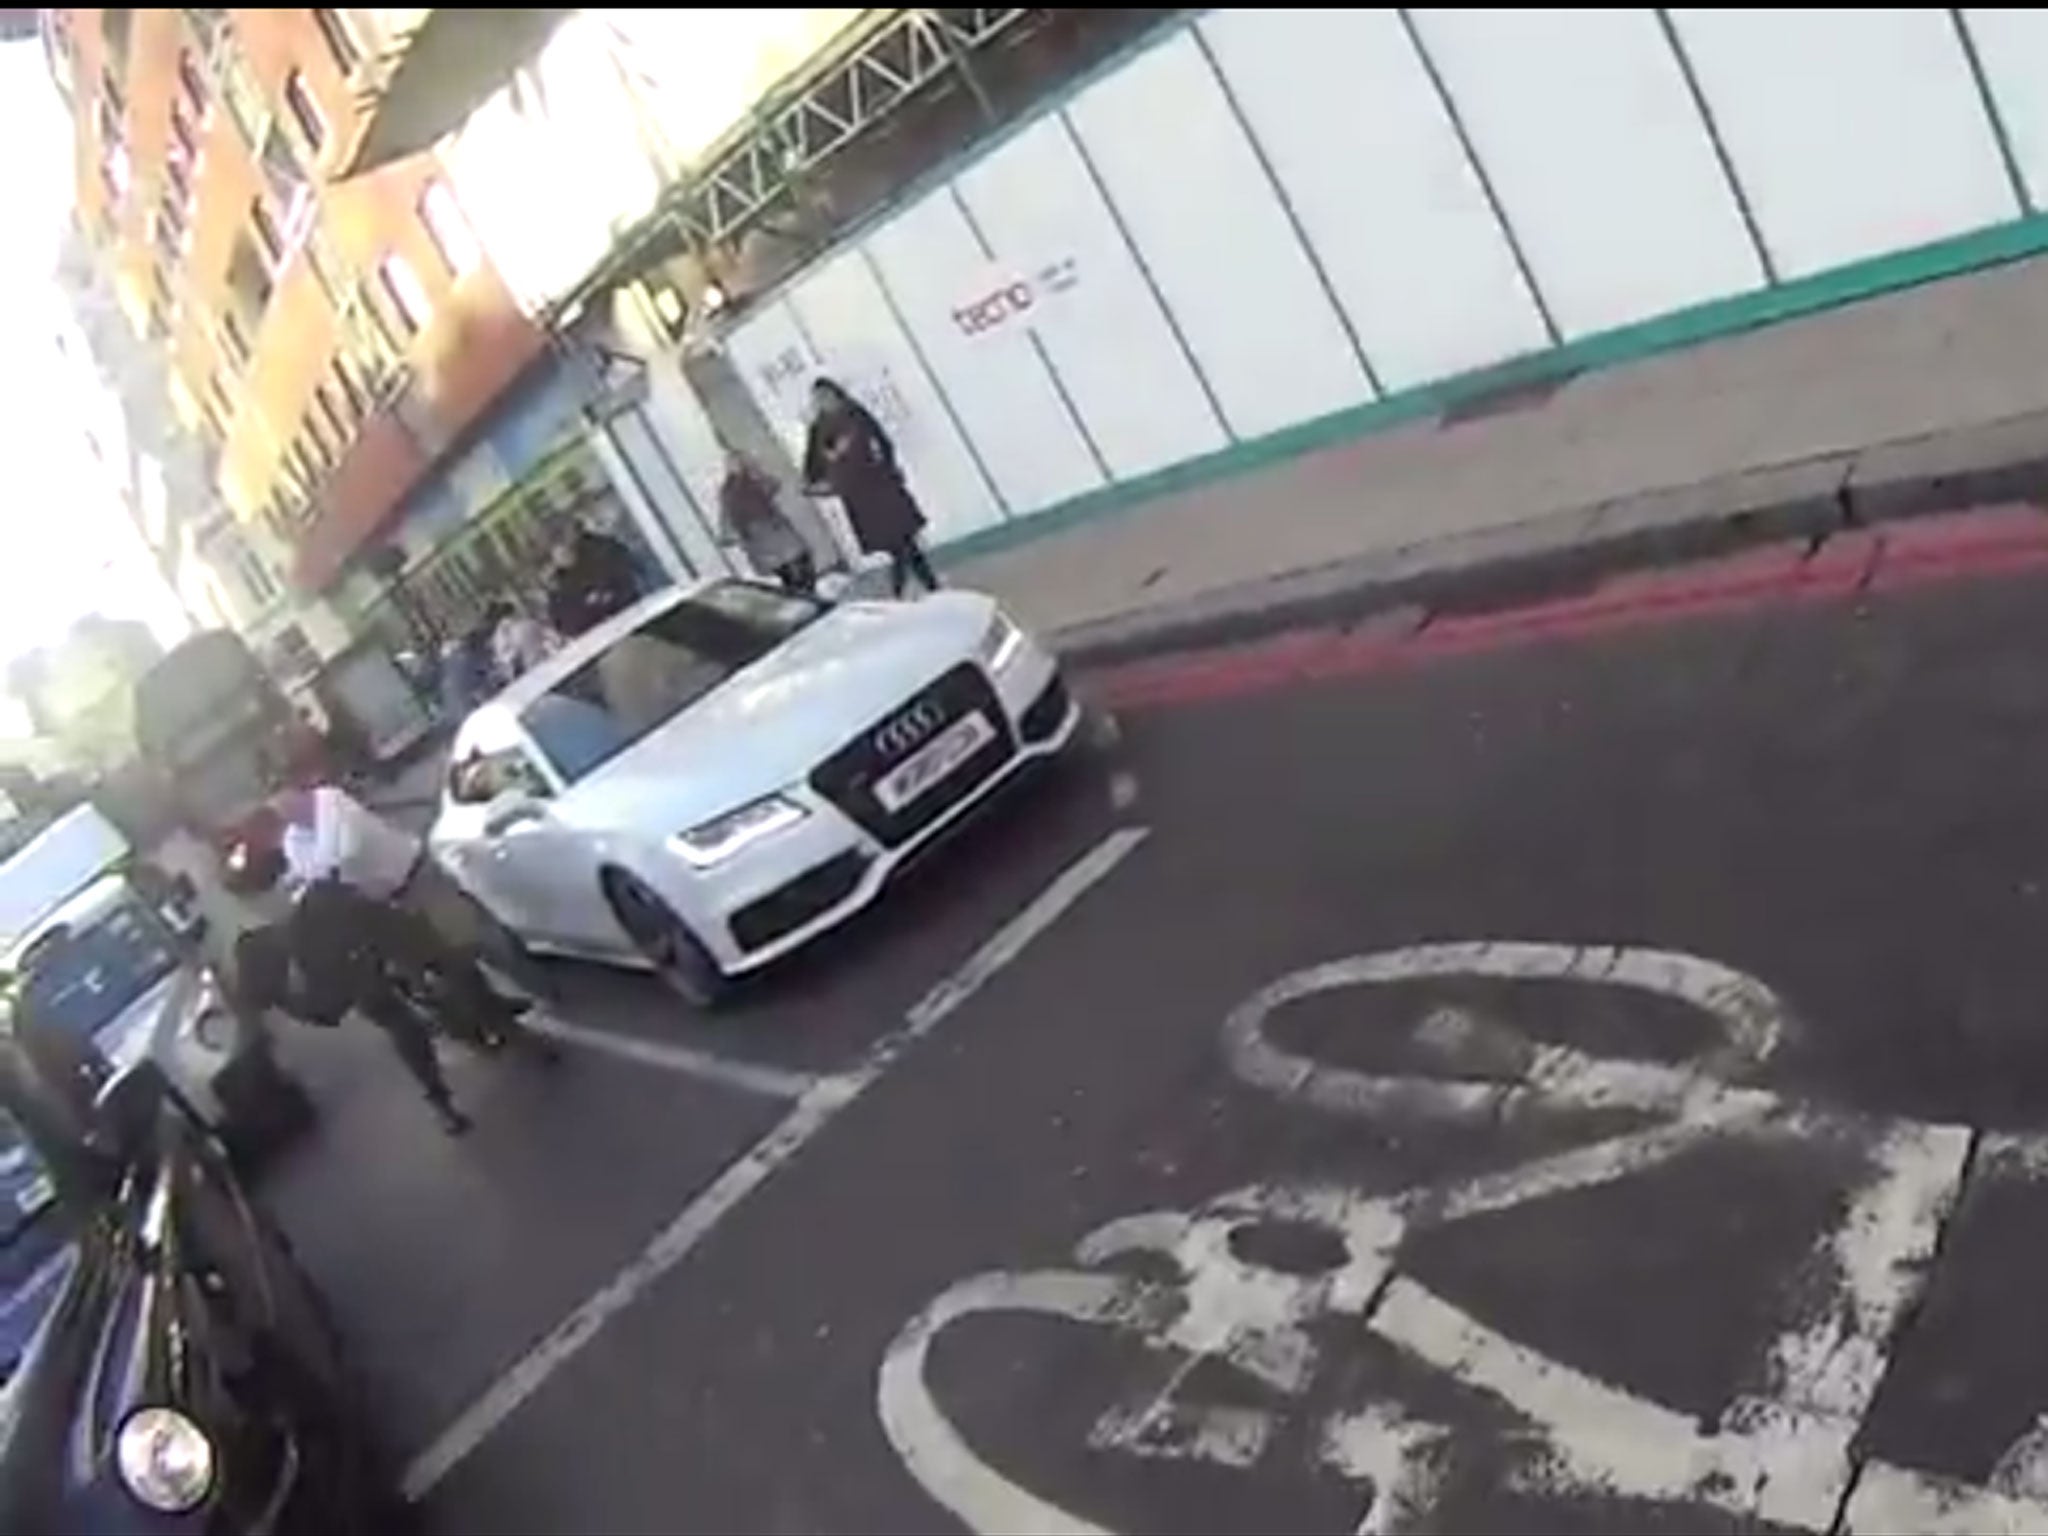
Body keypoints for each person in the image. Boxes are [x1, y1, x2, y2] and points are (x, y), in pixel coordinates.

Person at [270, 777, 554, 1008]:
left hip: (415, 874)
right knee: (449, 957)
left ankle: (541, 986)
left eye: (293, 802)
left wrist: (322, 868)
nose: (294, 811)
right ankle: (496, 1005)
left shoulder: (330, 800)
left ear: (301, 793)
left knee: (476, 934)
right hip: (389, 902)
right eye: (285, 811)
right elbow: (317, 873)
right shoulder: (294, 841)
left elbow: (346, 851)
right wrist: (320, 869)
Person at [801, 377, 940, 598]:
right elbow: (811, 465)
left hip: (879, 484)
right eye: (818, 398)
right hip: (857, 496)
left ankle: (906, 589)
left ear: (836, 394)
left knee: (902, 541)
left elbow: (882, 442)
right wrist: (820, 482)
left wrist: (889, 467)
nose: (823, 402)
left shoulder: (855, 414)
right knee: (899, 543)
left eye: (826, 396)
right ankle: (920, 587)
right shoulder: (818, 429)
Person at [717, 446, 815, 595]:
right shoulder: (729, 490)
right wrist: (729, 535)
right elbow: (727, 514)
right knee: (792, 570)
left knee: (798, 563)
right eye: (734, 463)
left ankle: (805, 593)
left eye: (739, 462)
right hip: (761, 534)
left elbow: (773, 485)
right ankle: (803, 595)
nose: (736, 466)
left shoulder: (752, 479)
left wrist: (755, 471)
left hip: (772, 529)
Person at [547, 524, 645, 638]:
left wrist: (606, 598)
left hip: (632, 618)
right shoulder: (559, 586)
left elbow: (628, 581)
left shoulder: (602, 553)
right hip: (599, 637)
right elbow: (565, 623)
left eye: (565, 546)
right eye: (558, 551)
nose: (563, 552)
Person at [492, 602, 557, 683]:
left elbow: (505, 657)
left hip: (529, 670)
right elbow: (550, 636)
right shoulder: (524, 624)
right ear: (513, 612)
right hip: (542, 662)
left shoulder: (499, 635)